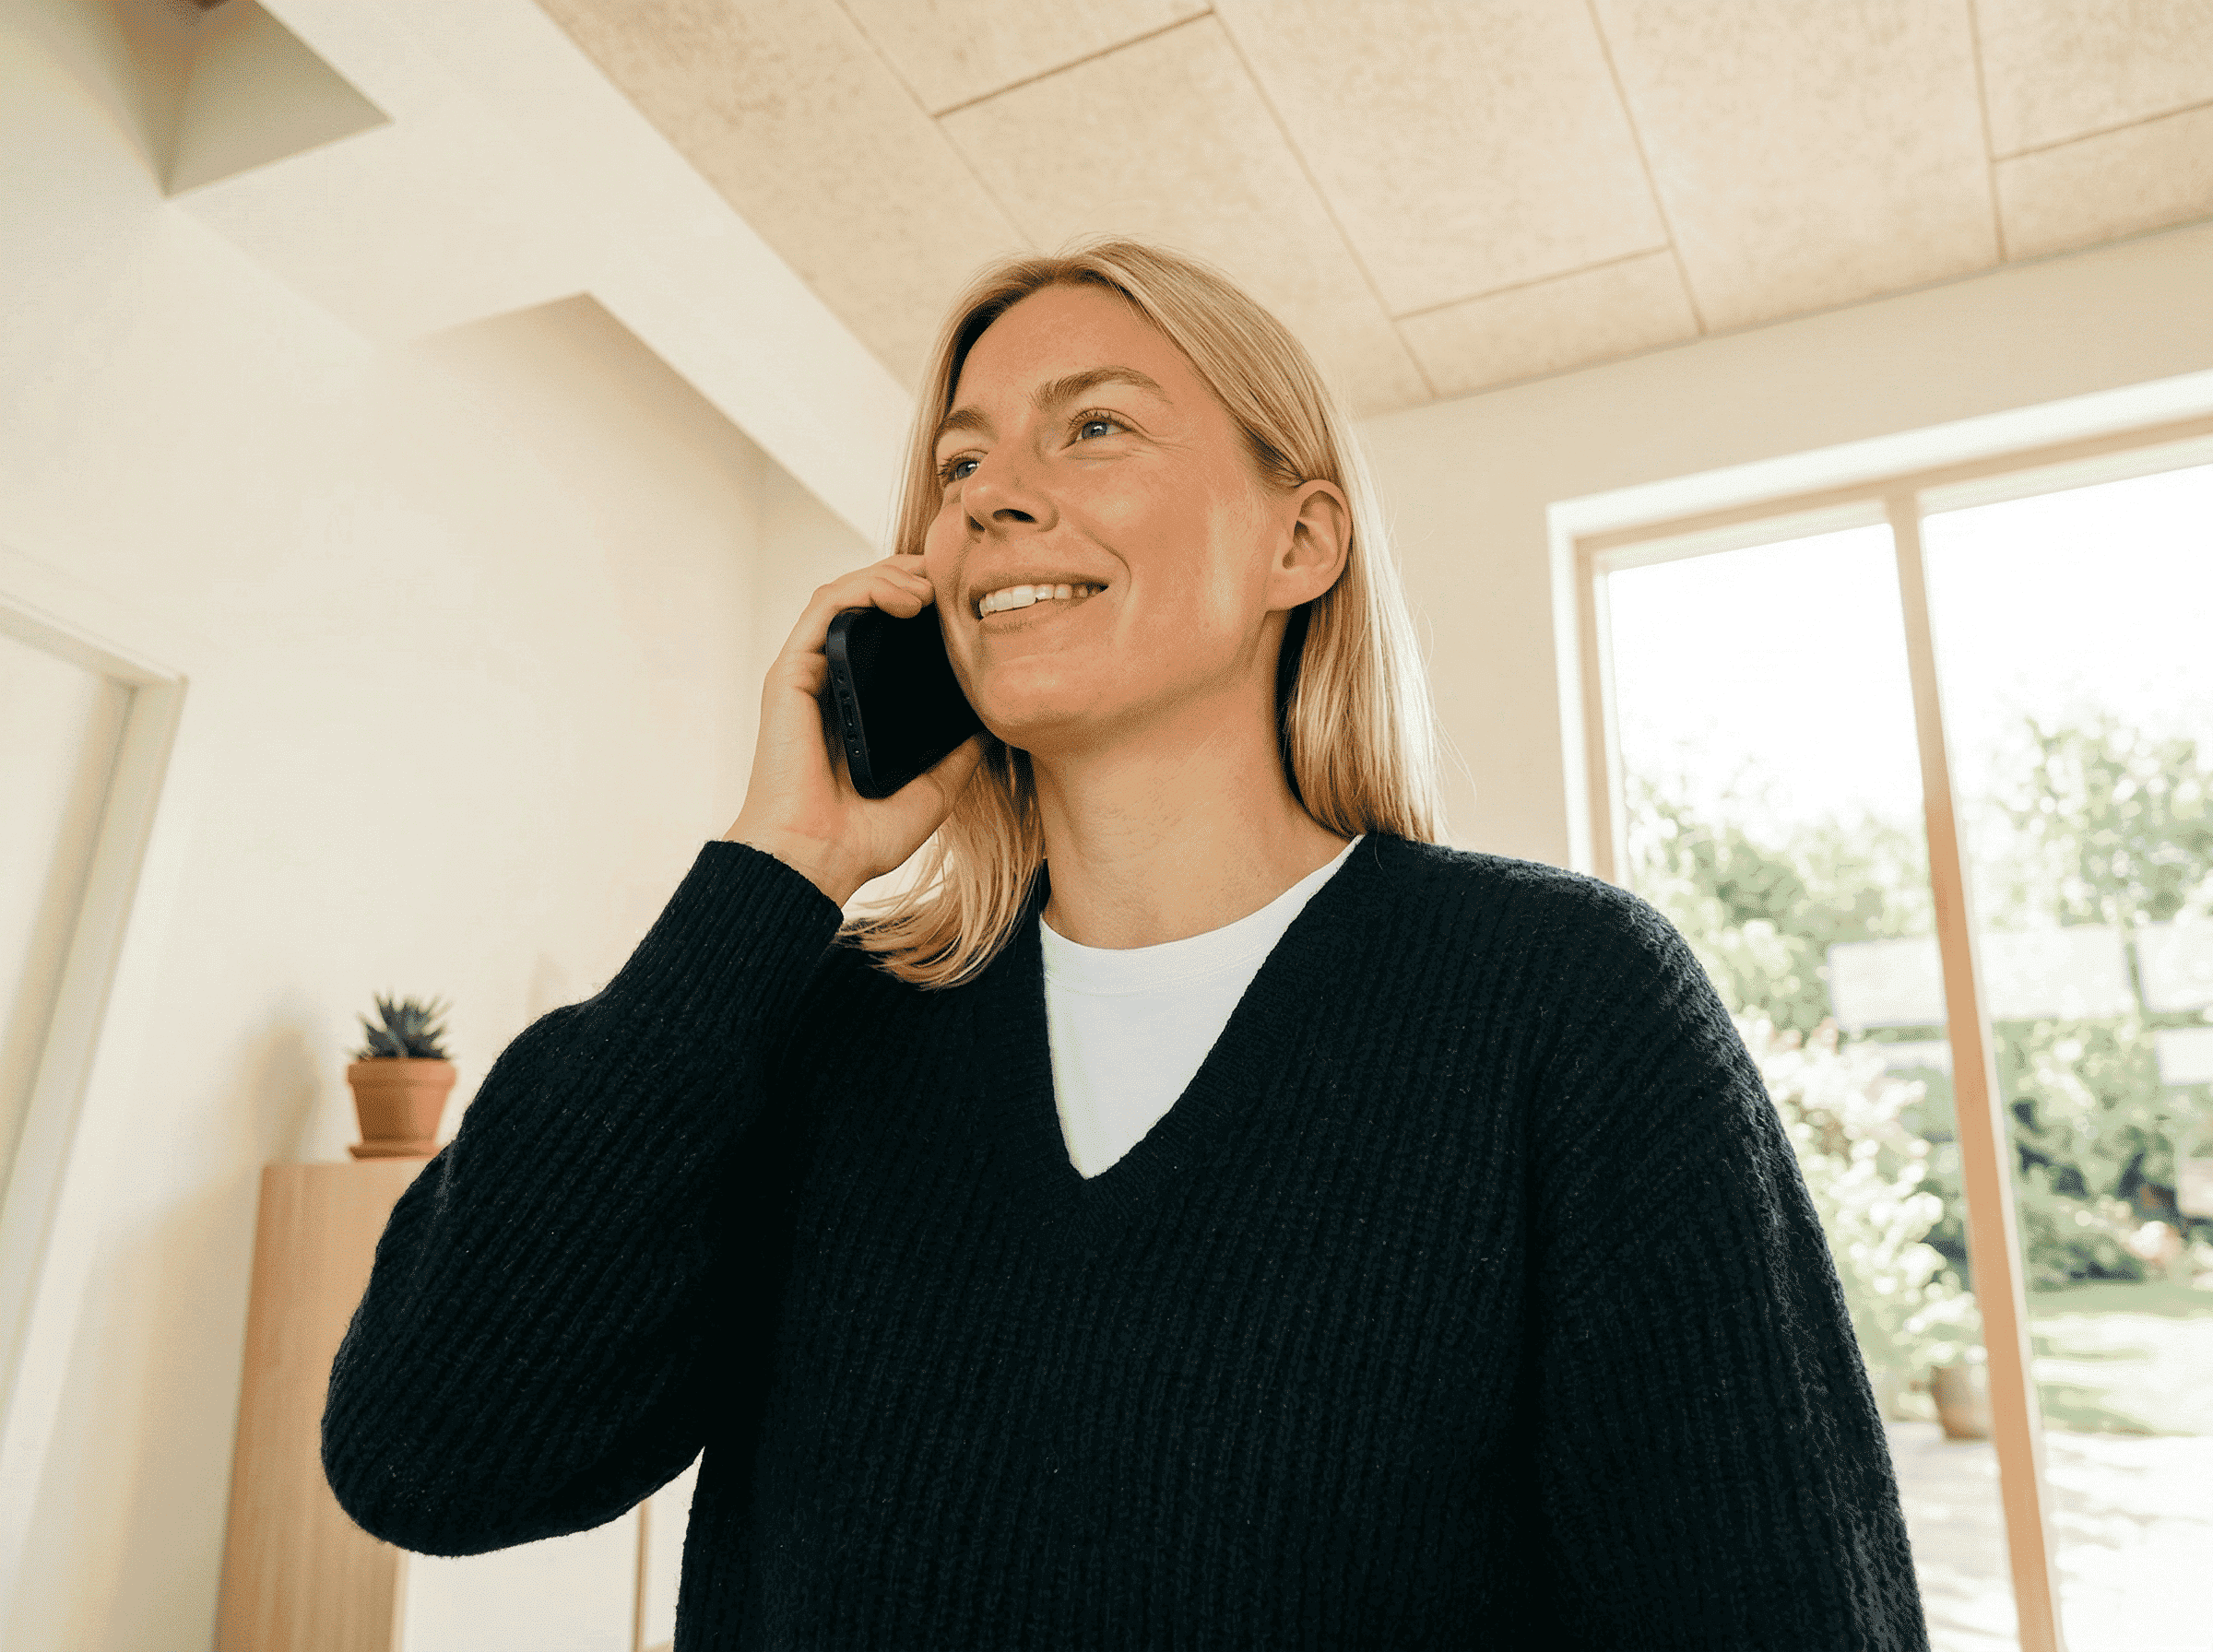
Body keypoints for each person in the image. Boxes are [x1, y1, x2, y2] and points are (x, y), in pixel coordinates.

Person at [323, 238, 1930, 1648]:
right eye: (959, 468)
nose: (994, 496)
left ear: (1303, 544)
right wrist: (778, 872)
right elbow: (428, 1452)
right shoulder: (823, 1032)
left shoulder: (1566, 1007)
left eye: (1093, 428)